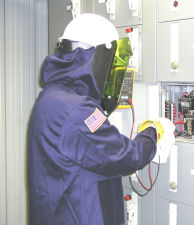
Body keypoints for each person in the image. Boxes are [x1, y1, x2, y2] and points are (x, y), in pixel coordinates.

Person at [27, 13, 173, 225]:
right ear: (96, 57)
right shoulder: (77, 110)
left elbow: (91, 146)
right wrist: (153, 131)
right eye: (112, 62)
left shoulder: (52, 97)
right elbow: (126, 156)